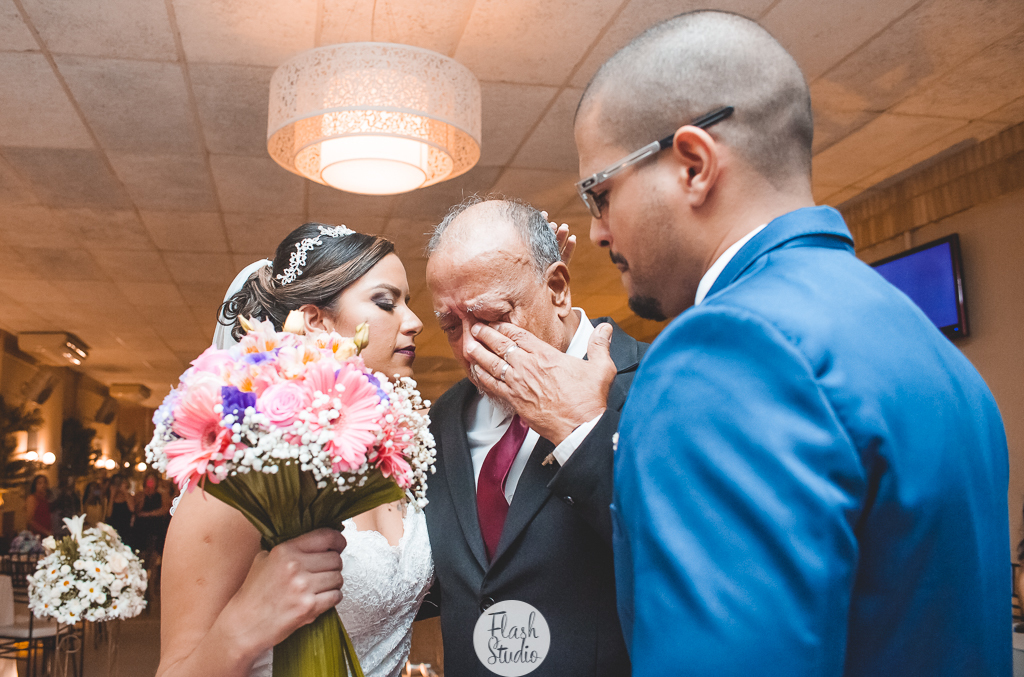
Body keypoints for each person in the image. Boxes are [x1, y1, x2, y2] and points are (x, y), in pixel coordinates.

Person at [572, 10, 1010, 675]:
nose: (599, 232)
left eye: (600, 194)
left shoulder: (722, 354)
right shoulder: (940, 356)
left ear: (693, 164)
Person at [158, 223, 429, 677]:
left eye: (408, 301)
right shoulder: (245, 468)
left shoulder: (390, 451)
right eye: (387, 302)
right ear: (317, 321)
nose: (415, 320)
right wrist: (245, 625)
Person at [421, 197, 645, 676]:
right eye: (450, 326)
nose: (470, 347)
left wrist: (581, 428)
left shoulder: (655, 380)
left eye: (491, 317)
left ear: (557, 289)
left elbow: (679, 556)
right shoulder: (443, 417)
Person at [105, 474, 135, 545]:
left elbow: (132, 509)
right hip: (114, 526)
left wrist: (125, 491)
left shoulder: (129, 497)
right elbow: (108, 514)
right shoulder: (110, 498)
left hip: (125, 527)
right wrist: (112, 495)